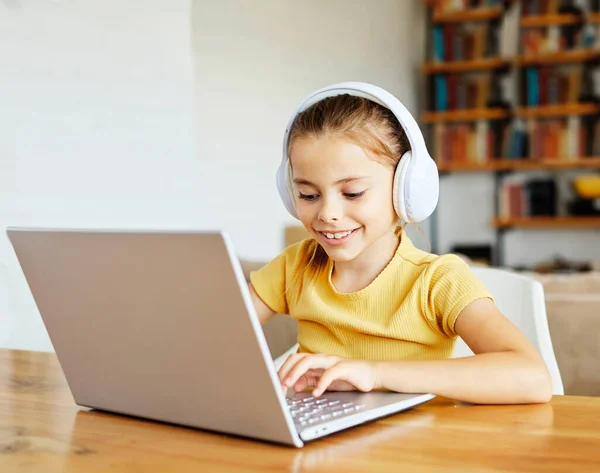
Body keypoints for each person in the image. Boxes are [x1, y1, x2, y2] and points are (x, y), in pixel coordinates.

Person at [248, 82, 552, 405]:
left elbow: (532, 377)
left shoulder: (437, 281)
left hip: (413, 449)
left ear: (405, 190)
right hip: (319, 445)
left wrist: (374, 373)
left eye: (352, 193)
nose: (328, 214)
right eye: (308, 195)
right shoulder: (296, 266)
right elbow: (213, 333)